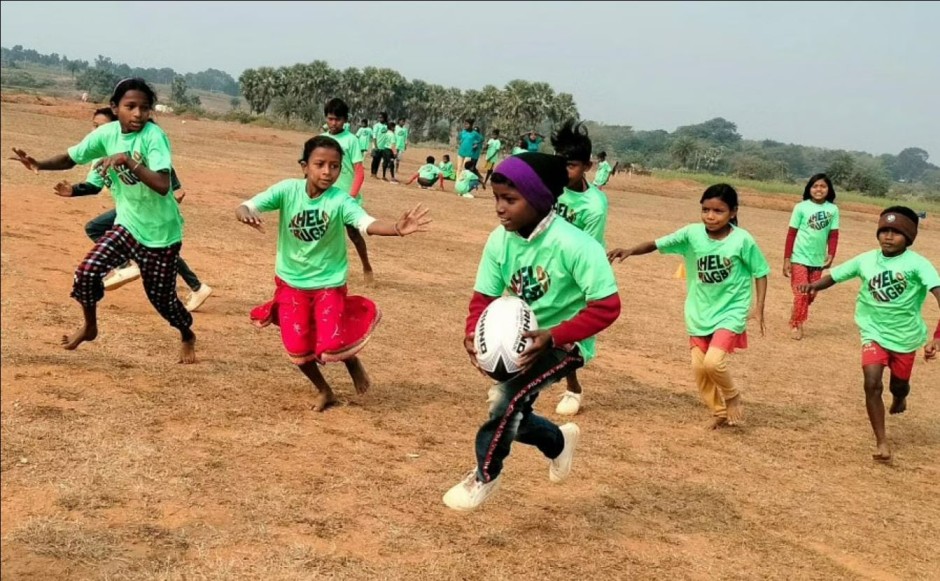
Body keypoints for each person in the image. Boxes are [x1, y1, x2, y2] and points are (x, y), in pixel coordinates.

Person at [443, 152, 621, 511]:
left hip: (565, 342)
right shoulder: (500, 240)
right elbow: (484, 296)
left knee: (502, 401)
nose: (499, 208)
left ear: (540, 200)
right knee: (513, 412)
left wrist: (554, 336)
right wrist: (472, 331)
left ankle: (484, 476)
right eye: (496, 198)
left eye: (510, 200)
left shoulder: (577, 245)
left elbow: (607, 306)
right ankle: (558, 442)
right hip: (520, 337)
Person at [236, 135, 431, 411]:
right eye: (320, 164)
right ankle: (324, 390)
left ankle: (351, 360)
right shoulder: (287, 190)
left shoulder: (340, 200)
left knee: (330, 342)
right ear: (305, 166)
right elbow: (247, 205)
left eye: (335, 166)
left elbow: (366, 223)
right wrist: (244, 212)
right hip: (291, 283)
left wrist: (396, 229)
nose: (327, 172)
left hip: (328, 284)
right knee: (297, 347)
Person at [10, 78, 197, 363]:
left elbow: (162, 183)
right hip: (127, 225)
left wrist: (128, 160)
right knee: (86, 273)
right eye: (130, 106)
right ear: (115, 107)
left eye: (144, 108)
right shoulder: (106, 134)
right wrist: (39, 164)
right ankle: (90, 326)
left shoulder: (153, 136)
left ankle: (187, 334)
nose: (138, 114)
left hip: (161, 234)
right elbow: (73, 157)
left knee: (163, 302)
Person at [608, 184, 769, 428]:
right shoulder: (691, 234)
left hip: (731, 311)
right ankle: (719, 412)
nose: (710, 216)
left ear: (733, 212)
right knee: (699, 368)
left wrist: (759, 308)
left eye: (718, 211)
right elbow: (655, 243)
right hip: (699, 312)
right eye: (705, 210)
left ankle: (733, 395)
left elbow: (760, 272)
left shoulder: (742, 240)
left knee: (714, 362)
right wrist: (630, 250)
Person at [798, 207, 940, 463]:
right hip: (873, 332)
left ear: (908, 237)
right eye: (884, 230)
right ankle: (882, 442)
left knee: (899, 383)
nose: (888, 236)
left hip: (905, 337)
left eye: (896, 233)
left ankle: (900, 396)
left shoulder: (919, 264)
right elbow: (836, 276)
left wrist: (937, 337)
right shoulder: (866, 259)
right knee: (872, 383)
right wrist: (812, 286)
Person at [55, 107, 214, 312]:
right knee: (151, 247)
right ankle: (196, 286)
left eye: (100, 126)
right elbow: (94, 185)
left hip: (152, 208)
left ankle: (127, 266)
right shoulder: (99, 155)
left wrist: (176, 187)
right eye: (93, 126)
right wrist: (73, 190)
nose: (95, 131)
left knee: (148, 245)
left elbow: (162, 169)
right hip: (131, 209)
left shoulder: (135, 147)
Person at [549, 119, 609, 415]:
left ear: (587, 166)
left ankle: (573, 387)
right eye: (561, 162)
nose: (564, 170)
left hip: (574, 270)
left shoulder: (594, 206)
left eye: (571, 165)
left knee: (568, 333)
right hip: (541, 262)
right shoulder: (548, 183)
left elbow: (588, 249)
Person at [321, 98, 374, 282]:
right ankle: (326, 270)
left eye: (337, 119)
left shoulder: (351, 140)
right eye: (330, 119)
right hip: (325, 196)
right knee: (323, 233)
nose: (333, 123)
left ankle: (366, 266)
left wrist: (351, 196)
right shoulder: (322, 140)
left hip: (347, 196)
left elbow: (359, 172)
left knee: (354, 234)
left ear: (345, 120)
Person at [783, 173, 839, 340]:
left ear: (829, 190)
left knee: (812, 293)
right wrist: (787, 259)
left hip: (817, 260)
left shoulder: (833, 210)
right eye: (815, 186)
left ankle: (796, 311)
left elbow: (834, 234)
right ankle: (797, 324)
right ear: (809, 189)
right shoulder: (801, 207)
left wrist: (831, 254)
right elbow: (791, 234)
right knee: (802, 292)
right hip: (799, 257)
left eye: (823, 186)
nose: (819, 189)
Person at [369, 112, 388, 179]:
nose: (380, 119)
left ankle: (375, 173)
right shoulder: (376, 125)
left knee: (379, 160)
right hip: (377, 145)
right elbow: (374, 136)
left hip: (383, 147)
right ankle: (372, 173)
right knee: (375, 160)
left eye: (381, 117)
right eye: (379, 117)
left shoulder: (386, 126)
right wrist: (376, 146)